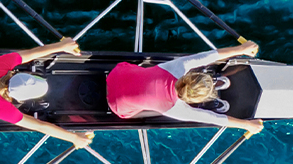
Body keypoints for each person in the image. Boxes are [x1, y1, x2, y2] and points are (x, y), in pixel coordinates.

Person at [106, 41, 263, 134]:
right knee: (157, 111)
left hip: (116, 73)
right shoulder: (176, 110)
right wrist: (247, 125)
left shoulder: (178, 67)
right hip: (117, 107)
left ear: (190, 75)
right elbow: (213, 119)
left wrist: (242, 49)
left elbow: (210, 55)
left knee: (152, 78)